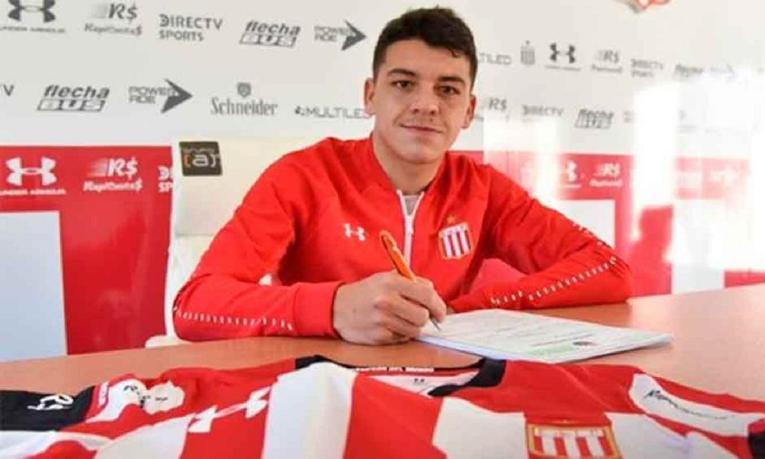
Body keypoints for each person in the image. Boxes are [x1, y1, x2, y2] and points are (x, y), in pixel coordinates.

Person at [173, 7, 632, 345]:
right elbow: (195, 305)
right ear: (370, 95)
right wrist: (333, 309)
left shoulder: (483, 188)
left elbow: (608, 270)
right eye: (403, 83)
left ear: (468, 110)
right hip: (322, 389)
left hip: (444, 389)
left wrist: (465, 310)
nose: (427, 105)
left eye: (448, 89)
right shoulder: (303, 176)